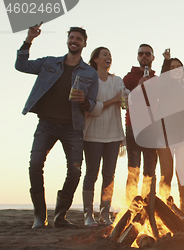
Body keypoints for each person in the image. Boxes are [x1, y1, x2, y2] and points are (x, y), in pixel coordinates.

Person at [15, 25, 98, 228]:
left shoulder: (90, 73)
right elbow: (21, 65)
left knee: (76, 171)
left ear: (84, 43)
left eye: (78, 38)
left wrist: (84, 101)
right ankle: (39, 216)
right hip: (47, 123)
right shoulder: (49, 63)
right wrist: (29, 40)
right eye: (71, 37)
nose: (74, 41)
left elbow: (93, 103)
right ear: (67, 40)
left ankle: (60, 215)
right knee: (35, 164)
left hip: (73, 127)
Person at [123, 44, 173, 205]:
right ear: (138, 57)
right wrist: (139, 86)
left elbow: (165, 88)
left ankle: (147, 206)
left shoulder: (156, 80)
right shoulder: (129, 78)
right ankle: (131, 208)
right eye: (141, 54)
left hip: (152, 129)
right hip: (133, 128)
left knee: (150, 171)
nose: (144, 56)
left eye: (147, 54)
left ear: (152, 58)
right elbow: (125, 102)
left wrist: (166, 63)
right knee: (133, 170)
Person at [82, 47, 125, 226]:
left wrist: (123, 99)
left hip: (113, 135)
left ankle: (105, 214)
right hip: (92, 134)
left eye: (110, 55)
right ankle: (88, 215)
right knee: (91, 174)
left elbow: (124, 101)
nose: (108, 57)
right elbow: (91, 108)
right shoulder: (89, 80)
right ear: (96, 59)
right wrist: (113, 100)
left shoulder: (117, 80)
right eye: (105, 54)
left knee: (109, 176)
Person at [155, 50, 184, 215]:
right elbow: (160, 87)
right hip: (165, 134)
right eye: (172, 67)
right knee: (166, 172)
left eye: (178, 67)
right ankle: (164, 207)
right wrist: (165, 63)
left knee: (182, 170)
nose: (175, 69)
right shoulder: (164, 87)